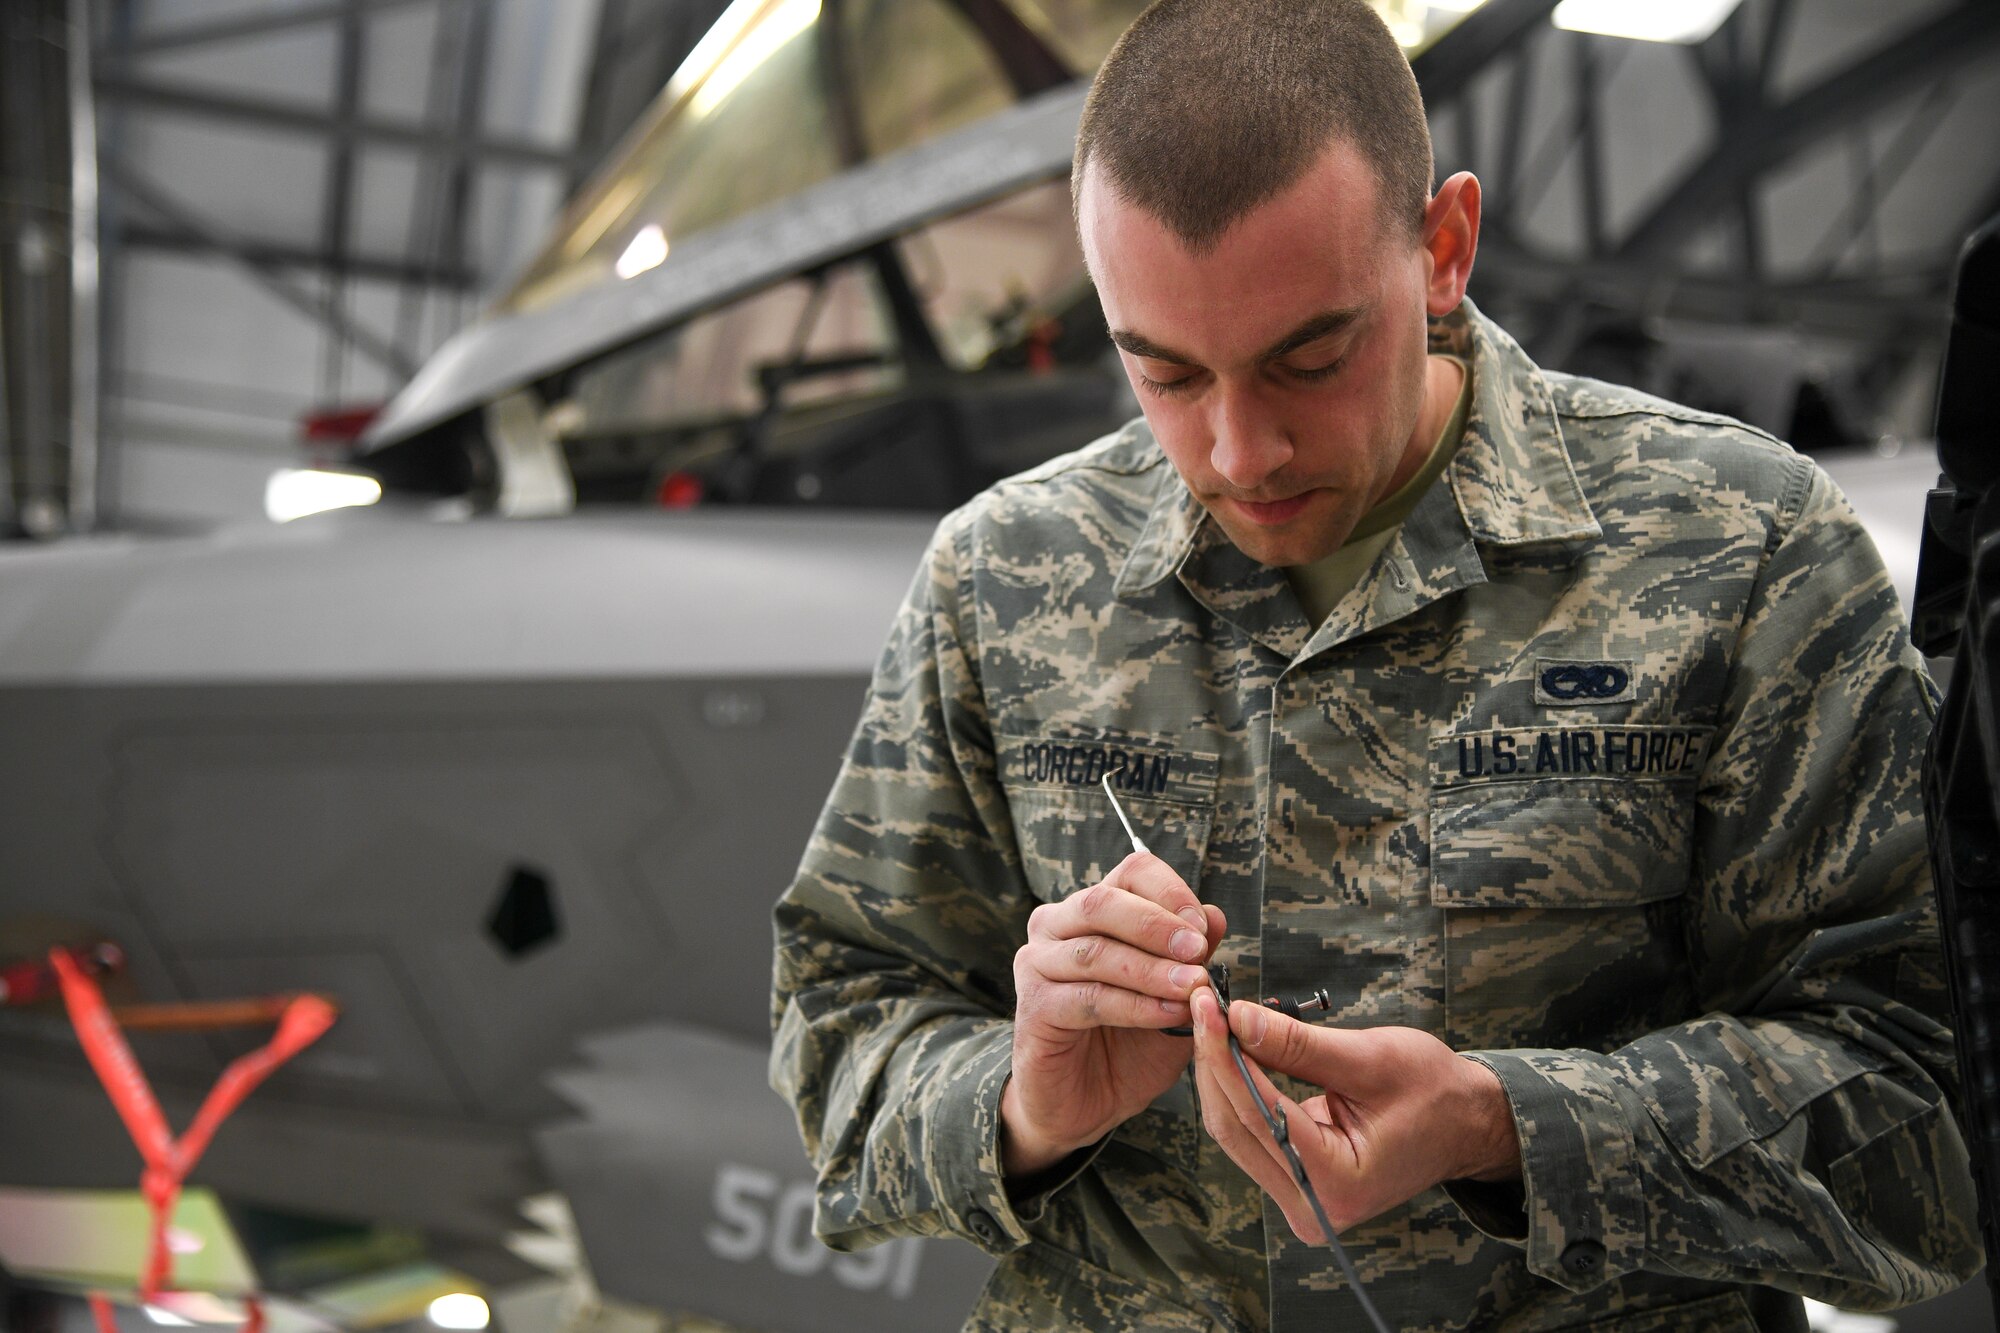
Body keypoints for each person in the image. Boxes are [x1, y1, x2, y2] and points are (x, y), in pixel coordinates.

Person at [769, 0, 1982, 1327]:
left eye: (1311, 358)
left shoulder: (1745, 552)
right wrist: (1017, 1102)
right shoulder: (1002, 580)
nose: (1241, 453)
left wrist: (1502, 1127)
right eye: (1163, 372)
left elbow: (1928, 1119)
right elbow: (841, 1028)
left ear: (1444, 244)